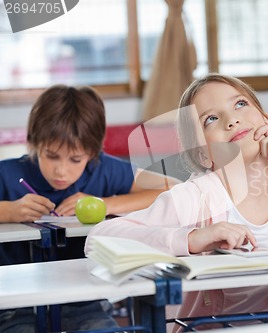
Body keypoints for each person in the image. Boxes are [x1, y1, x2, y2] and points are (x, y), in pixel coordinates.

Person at [85, 73, 268, 331]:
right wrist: (191, 238)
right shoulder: (193, 197)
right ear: (202, 153)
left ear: (266, 121)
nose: (232, 120)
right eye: (211, 119)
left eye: (240, 104)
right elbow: (99, 239)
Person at [0, 85, 177, 332]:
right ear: (33, 143)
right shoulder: (8, 173)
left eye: (75, 160)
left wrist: (106, 203)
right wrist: (7, 211)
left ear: (93, 153)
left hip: (85, 299)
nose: (61, 170)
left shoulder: (102, 169)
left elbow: (170, 189)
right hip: (17, 302)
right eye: (51, 156)